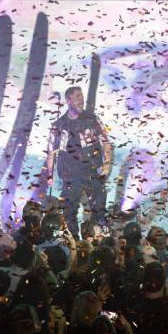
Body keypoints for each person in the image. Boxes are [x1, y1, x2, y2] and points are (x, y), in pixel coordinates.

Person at [45, 86, 114, 235]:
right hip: (70, 176)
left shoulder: (91, 119)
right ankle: (74, 245)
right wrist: (49, 175)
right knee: (69, 213)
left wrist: (107, 165)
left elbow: (106, 143)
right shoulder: (59, 125)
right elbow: (51, 152)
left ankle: (98, 241)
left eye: (82, 97)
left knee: (99, 210)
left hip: (93, 172)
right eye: (77, 97)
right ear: (68, 100)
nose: (81, 100)